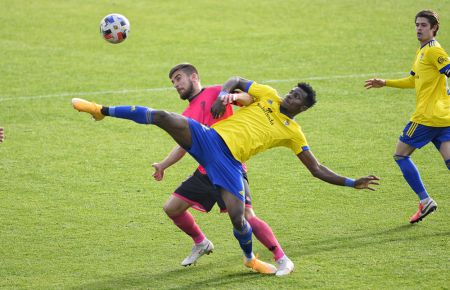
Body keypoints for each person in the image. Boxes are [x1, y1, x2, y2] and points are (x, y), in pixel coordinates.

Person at [72, 76, 379, 274]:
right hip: (210, 139)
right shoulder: (268, 95)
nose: (290, 96)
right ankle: (101, 109)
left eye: (297, 97)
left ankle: (249, 259)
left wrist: (352, 183)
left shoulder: (294, 133)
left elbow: (316, 169)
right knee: (164, 117)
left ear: (304, 108)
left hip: (230, 164)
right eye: (292, 91)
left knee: (239, 217)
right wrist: (223, 94)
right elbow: (235, 80)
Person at [152, 63, 294, 276]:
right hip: (206, 171)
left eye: (179, 78)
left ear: (194, 77)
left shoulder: (217, 91)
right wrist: (163, 165)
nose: (176, 85)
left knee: (246, 217)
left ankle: (281, 258)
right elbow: (183, 145)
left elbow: (250, 100)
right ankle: (201, 243)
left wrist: (232, 97)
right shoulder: (187, 112)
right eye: (173, 82)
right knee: (172, 208)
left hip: (230, 167)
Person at [364, 10, 450, 224]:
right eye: (417, 25)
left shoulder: (433, 51)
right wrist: (385, 82)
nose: (419, 29)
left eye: (423, 25)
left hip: (425, 118)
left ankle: (425, 200)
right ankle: (425, 202)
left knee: (400, 155)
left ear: (434, 28)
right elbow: (413, 81)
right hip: (443, 118)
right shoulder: (422, 51)